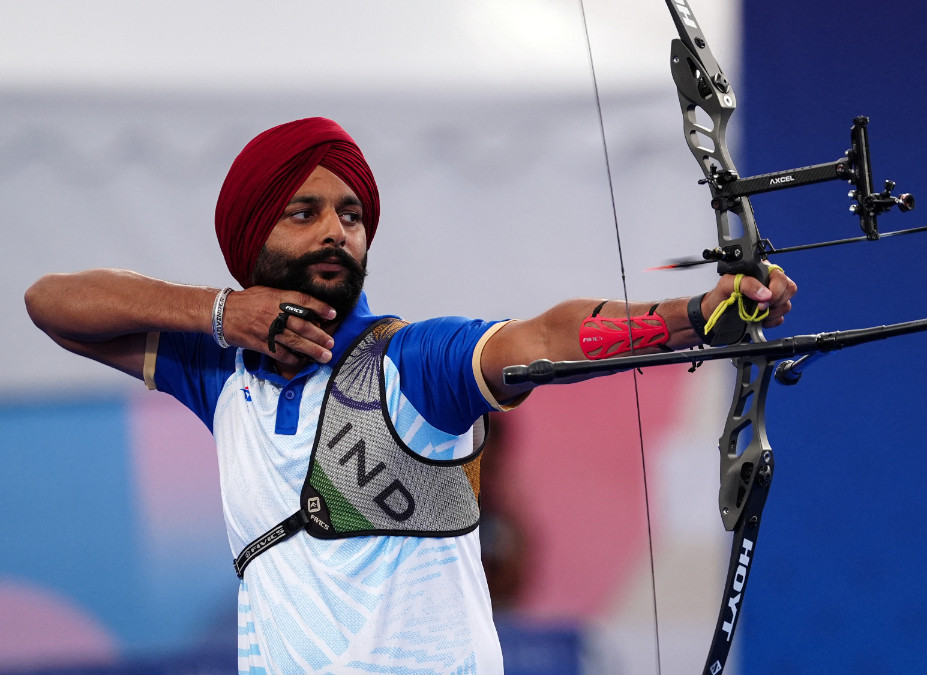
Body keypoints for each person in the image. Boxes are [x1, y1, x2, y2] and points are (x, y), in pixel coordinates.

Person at [24, 117, 795, 673]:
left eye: (351, 214)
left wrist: (692, 315)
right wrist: (222, 313)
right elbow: (52, 301)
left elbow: (545, 338)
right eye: (305, 211)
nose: (337, 230)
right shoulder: (221, 372)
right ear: (252, 234)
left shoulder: (411, 360)